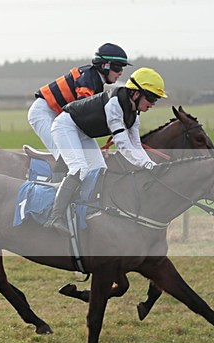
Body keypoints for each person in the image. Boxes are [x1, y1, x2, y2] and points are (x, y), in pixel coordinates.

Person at [44, 67, 166, 232]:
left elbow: (136, 145)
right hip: (65, 126)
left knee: (99, 169)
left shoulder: (134, 115)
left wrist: (151, 164)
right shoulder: (114, 105)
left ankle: (86, 210)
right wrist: (149, 166)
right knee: (79, 168)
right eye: (151, 98)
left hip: (83, 132)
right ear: (136, 94)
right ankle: (55, 218)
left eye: (156, 99)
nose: (152, 104)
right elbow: (122, 145)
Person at [29, 43, 131, 166]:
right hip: (44, 113)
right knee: (68, 159)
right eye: (117, 68)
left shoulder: (96, 81)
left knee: (98, 165)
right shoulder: (88, 79)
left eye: (122, 69)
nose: (120, 73)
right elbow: (83, 113)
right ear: (105, 66)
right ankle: (53, 184)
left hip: (62, 117)